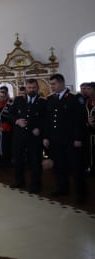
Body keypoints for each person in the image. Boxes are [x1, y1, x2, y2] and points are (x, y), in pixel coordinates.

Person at [43, 73, 87, 203]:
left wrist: (78, 138)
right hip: (56, 140)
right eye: (51, 84)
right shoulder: (51, 99)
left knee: (76, 168)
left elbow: (79, 120)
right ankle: (62, 188)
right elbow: (48, 120)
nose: (52, 87)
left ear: (62, 83)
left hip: (71, 140)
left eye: (54, 84)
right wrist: (46, 136)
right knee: (59, 166)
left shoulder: (74, 98)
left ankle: (81, 194)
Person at [10, 79, 47, 193]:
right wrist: (17, 121)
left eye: (34, 87)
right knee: (18, 159)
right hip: (19, 135)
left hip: (34, 136)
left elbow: (46, 119)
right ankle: (19, 181)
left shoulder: (42, 102)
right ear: (26, 88)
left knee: (35, 161)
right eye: (29, 87)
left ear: (37, 88)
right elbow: (10, 114)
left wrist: (39, 128)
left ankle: (35, 185)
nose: (31, 90)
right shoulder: (18, 100)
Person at [0, 89, 12, 167]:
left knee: (6, 146)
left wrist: (4, 127)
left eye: (2, 97)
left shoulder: (9, 106)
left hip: (6, 131)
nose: (0, 98)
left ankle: (7, 162)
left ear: (5, 98)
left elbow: (11, 118)